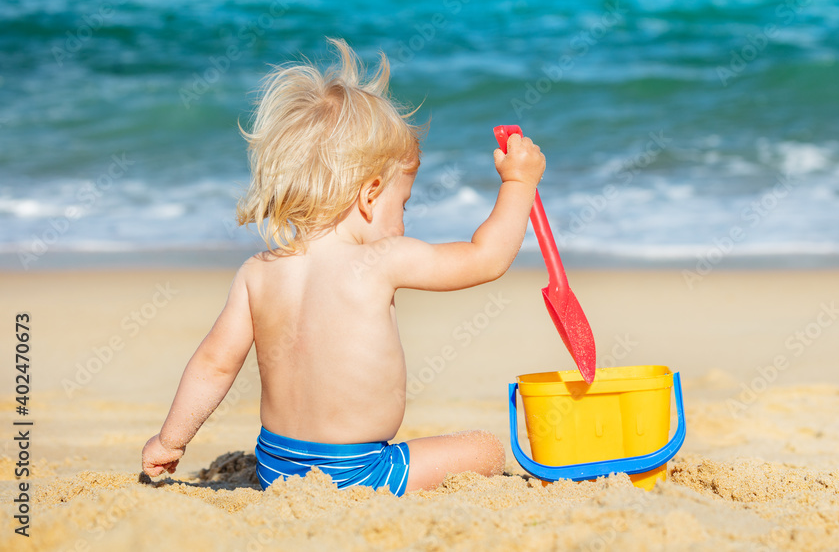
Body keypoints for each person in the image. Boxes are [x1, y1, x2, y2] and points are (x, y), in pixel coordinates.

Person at [141, 39, 545, 495]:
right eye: (404, 203)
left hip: (275, 466)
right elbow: (485, 258)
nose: (404, 220)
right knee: (484, 449)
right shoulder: (383, 260)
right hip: (361, 472)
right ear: (370, 196)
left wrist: (170, 440)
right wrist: (519, 183)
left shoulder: (258, 271)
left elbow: (215, 364)